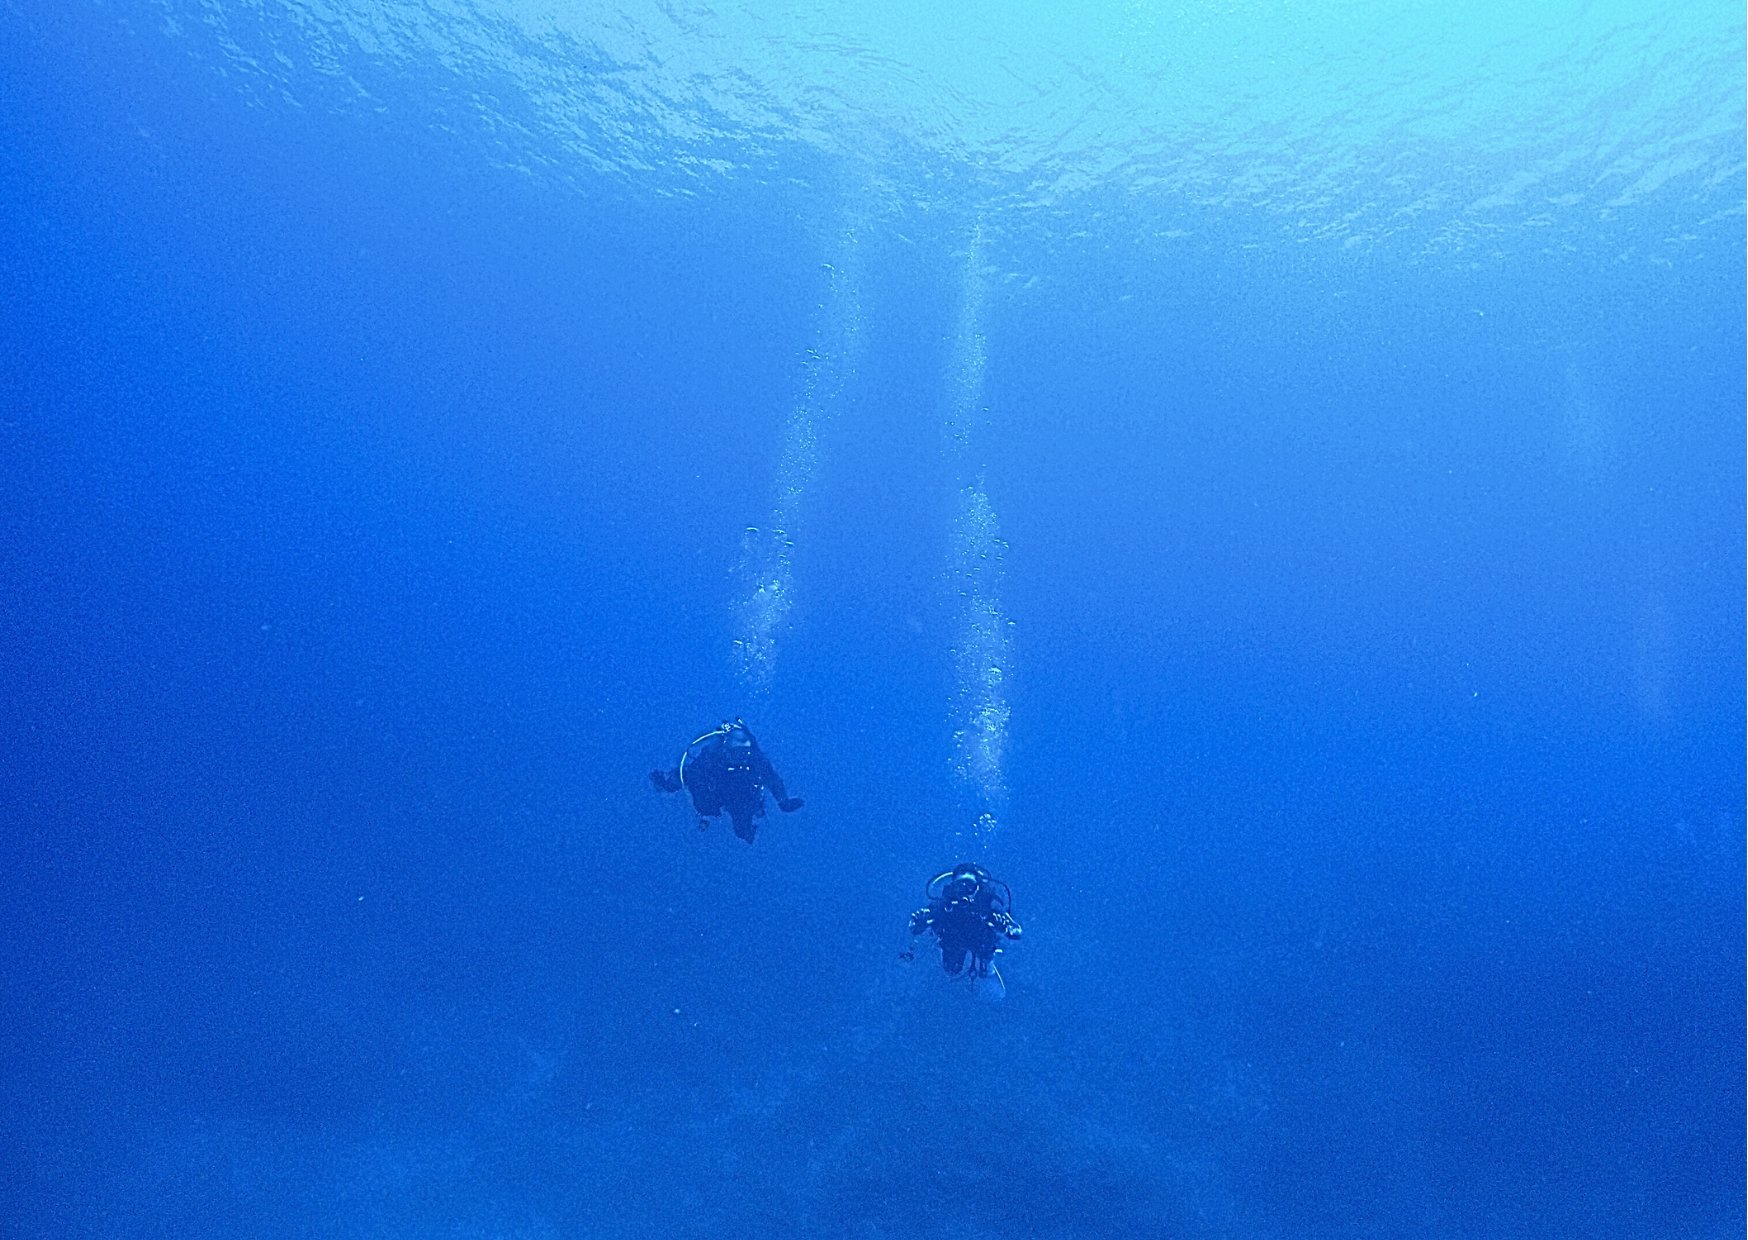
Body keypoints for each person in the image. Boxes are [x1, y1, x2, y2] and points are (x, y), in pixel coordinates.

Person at [649, 719, 803, 843]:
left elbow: (773, 780)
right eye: (736, 754)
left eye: (745, 753)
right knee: (700, 791)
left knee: (743, 832)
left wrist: (783, 801)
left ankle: (750, 835)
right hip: (717, 794)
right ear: (726, 750)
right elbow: (688, 775)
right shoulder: (712, 758)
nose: (741, 759)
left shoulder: (756, 760)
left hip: (743, 798)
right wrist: (667, 784)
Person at [903, 861, 1022, 990]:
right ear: (953, 887)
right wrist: (920, 924)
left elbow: (1016, 931)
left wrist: (1004, 929)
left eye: (969, 885)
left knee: (985, 957)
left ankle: (987, 967)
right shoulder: (943, 905)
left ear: (977, 888)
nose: (964, 891)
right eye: (960, 886)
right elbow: (916, 926)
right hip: (953, 944)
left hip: (981, 944)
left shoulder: (988, 904)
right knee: (951, 969)